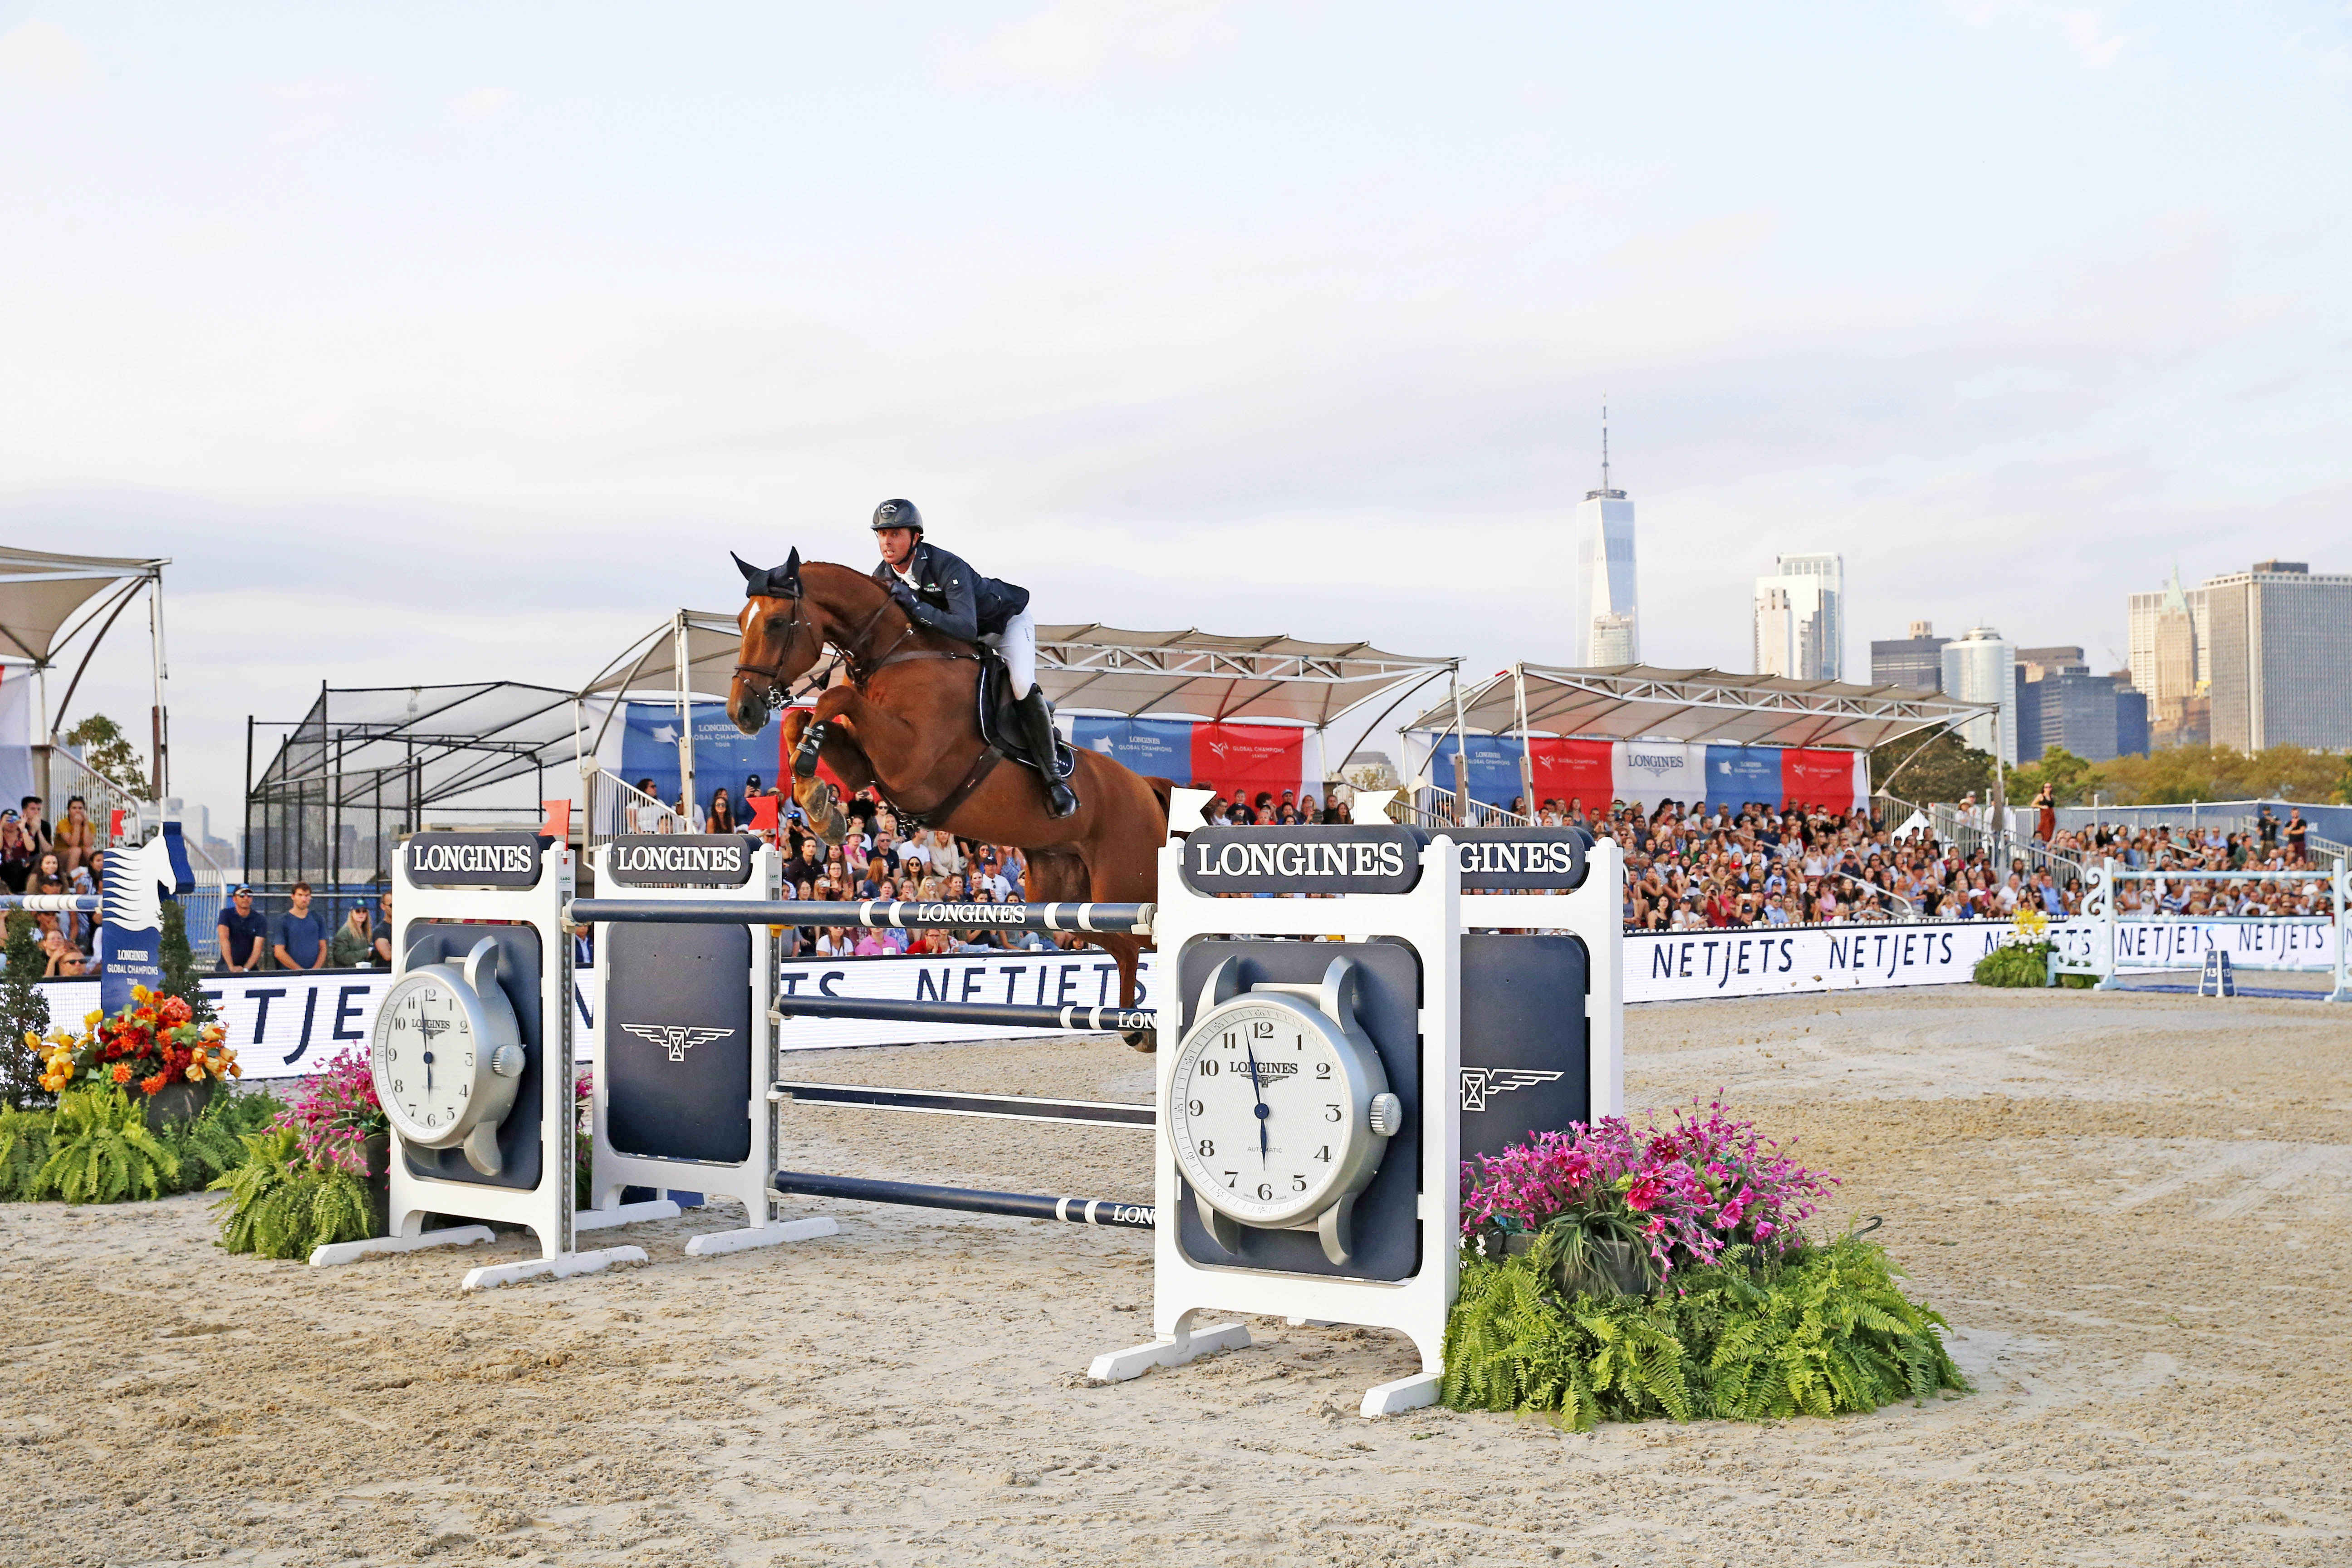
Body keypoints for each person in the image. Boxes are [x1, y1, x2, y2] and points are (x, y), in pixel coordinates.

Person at [868, 498, 1078, 818]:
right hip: (959, 639)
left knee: (1021, 683)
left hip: (1002, 626)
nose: (887, 542)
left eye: (895, 534)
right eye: (882, 534)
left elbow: (966, 626)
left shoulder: (945, 565)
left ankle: (1055, 780)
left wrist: (915, 604)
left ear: (915, 538)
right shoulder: (882, 576)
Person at [274, 881, 330, 971]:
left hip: (313, 977)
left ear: (310, 897)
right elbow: (279, 952)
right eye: (300, 895)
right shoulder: (283, 921)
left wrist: (314, 971)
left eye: (307, 895)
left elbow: (323, 948)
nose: (304, 899)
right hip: (289, 976)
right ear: (293, 897)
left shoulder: (318, 919)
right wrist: (300, 971)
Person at [54, 796, 98, 877]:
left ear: (84, 810)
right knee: (76, 850)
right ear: (69, 810)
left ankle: (98, 878)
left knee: (89, 851)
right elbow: (73, 844)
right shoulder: (62, 824)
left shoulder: (90, 825)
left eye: (81, 808)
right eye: (74, 808)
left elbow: (88, 844)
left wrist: (86, 825)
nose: (78, 811)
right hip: (62, 857)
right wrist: (77, 825)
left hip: (81, 857)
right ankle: (72, 880)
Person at [328, 902, 375, 968]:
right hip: (348, 973)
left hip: (363, 972)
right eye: (358, 911)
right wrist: (366, 953)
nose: (361, 914)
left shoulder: (366, 932)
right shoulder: (344, 933)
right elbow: (342, 957)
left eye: (364, 911)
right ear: (352, 913)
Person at [374, 889, 395, 965]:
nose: (396, 908)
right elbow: (388, 956)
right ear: (383, 907)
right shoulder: (380, 930)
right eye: (392, 905)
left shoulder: (405, 927)